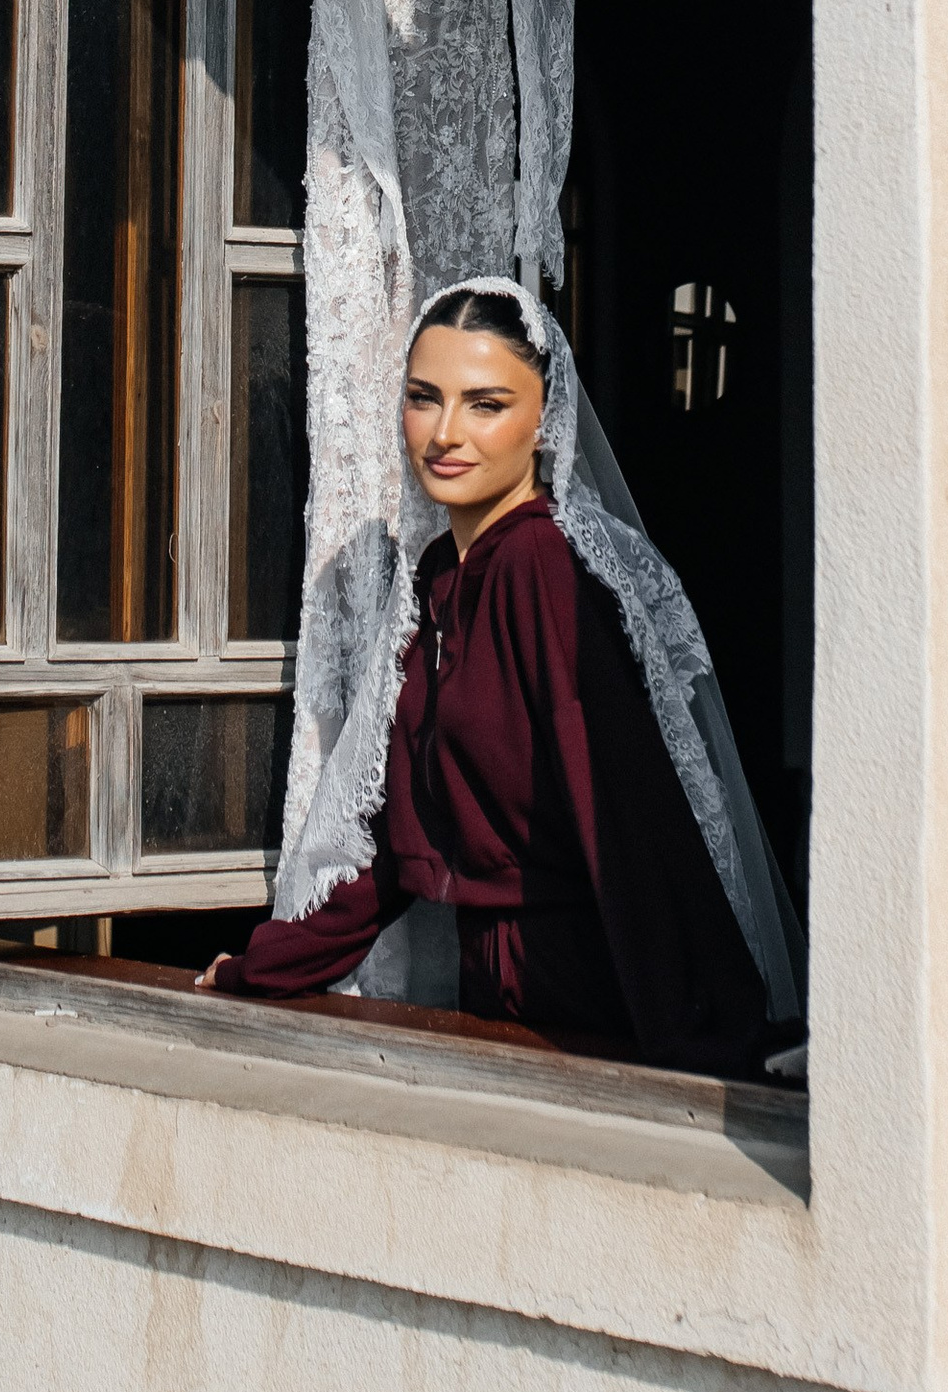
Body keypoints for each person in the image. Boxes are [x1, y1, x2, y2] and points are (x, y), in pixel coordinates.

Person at [196, 287, 800, 1079]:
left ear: (544, 421)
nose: (446, 433)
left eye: (485, 404)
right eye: (424, 399)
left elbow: (628, 815)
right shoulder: (442, 578)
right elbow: (386, 838)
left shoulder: (541, 569)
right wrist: (260, 970)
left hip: (591, 1000)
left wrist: (704, 1044)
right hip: (499, 995)